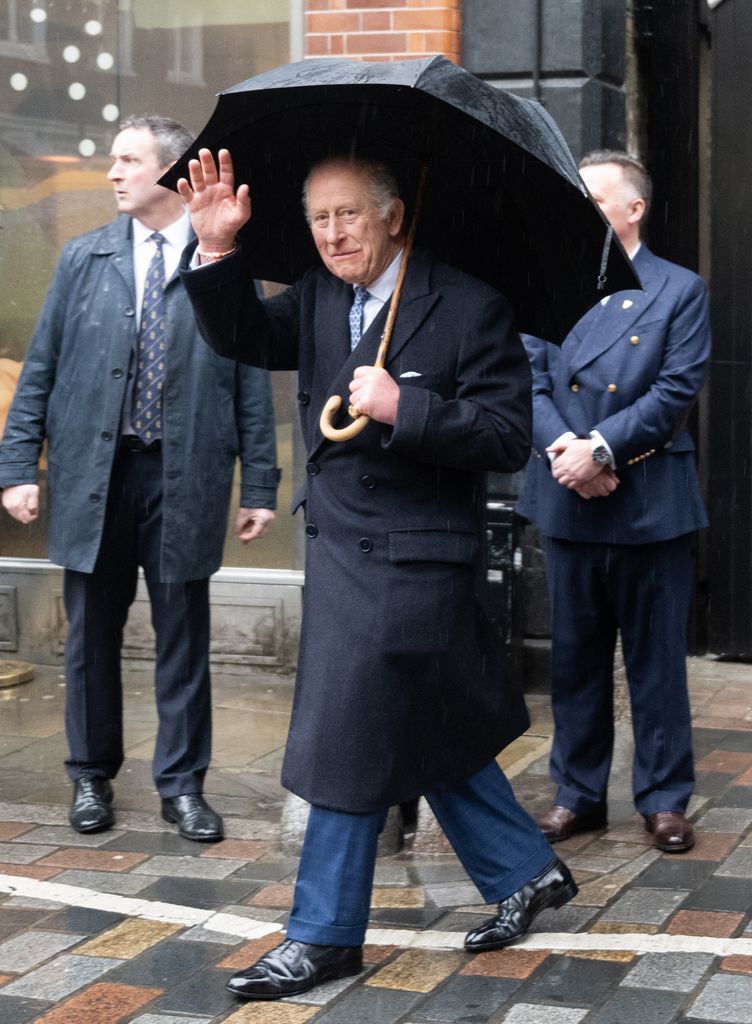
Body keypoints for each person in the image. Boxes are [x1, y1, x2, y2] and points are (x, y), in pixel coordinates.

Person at [176, 148, 577, 1001]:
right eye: (319, 218)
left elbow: (508, 437)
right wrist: (215, 253)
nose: (331, 235)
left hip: (414, 559)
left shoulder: (469, 304)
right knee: (420, 726)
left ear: (394, 214)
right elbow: (246, 336)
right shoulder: (321, 295)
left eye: (349, 214)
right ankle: (526, 872)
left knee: (345, 734)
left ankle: (323, 937)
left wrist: (408, 409)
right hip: (338, 551)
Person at [0, 116, 279, 843]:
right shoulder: (82, 257)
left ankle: (182, 787)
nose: (114, 173)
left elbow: (249, 376)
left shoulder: (220, 260)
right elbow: (42, 370)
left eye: (128, 160)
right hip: (96, 473)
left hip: (183, 475)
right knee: (90, 634)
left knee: (184, 635)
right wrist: (16, 467)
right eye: (114, 159)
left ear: (170, 172)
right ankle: (90, 777)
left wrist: (258, 485)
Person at [517, 150, 710, 853]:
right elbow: (529, 381)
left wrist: (598, 450)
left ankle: (663, 798)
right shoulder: (550, 283)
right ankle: (578, 794)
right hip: (569, 497)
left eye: (598, 199)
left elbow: (674, 393)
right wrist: (568, 455)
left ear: (634, 210)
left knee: (656, 662)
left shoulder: (679, 290)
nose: (584, 211)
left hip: (650, 501)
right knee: (574, 658)